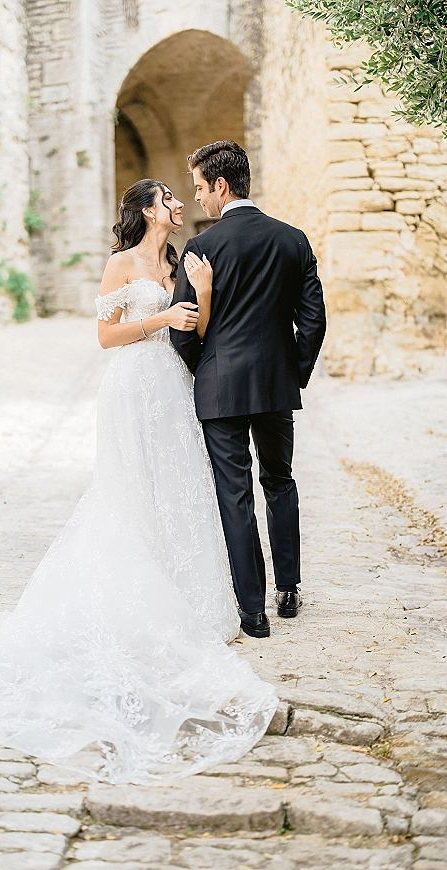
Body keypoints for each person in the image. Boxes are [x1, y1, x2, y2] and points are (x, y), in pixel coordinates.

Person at [0, 178, 278, 785]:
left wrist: (202, 296)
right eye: (169, 197)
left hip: (173, 384)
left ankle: (184, 597)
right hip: (131, 382)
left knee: (178, 489)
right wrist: (162, 315)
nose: (178, 204)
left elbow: (195, 330)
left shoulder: (180, 260)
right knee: (130, 491)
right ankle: (127, 592)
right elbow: (106, 335)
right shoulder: (122, 263)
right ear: (148, 209)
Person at [171, 140, 327, 640]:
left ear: (221, 185)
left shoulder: (201, 248)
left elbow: (181, 329)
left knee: (233, 495)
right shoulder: (293, 240)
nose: (197, 199)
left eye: (199, 188)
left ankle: (251, 612)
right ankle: (289, 590)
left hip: (220, 389)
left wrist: (207, 368)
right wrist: (292, 372)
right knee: (280, 481)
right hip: (276, 385)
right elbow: (314, 321)